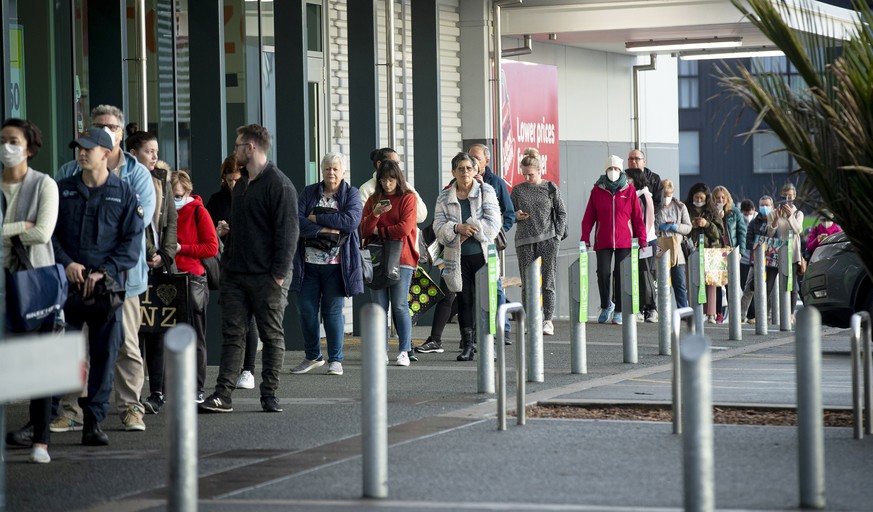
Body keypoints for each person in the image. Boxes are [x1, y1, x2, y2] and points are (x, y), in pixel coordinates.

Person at [56, 106, 156, 433]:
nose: (105, 130)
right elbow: (56, 231)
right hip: (74, 281)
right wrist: (70, 264)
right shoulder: (67, 176)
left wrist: (106, 271)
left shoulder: (135, 175)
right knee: (75, 346)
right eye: (98, 125)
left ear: (117, 137)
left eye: (111, 126)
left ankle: (130, 407)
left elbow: (132, 233)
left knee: (125, 344)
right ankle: (70, 409)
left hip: (121, 282)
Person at [200, 124, 298, 414]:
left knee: (271, 336)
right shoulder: (242, 184)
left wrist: (278, 276)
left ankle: (269, 394)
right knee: (233, 334)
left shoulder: (279, 185)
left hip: (268, 277)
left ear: (251, 148)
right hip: (236, 274)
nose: (234, 150)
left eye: (238, 145)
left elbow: (288, 234)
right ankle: (222, 395)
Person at [0, 119, 60, 463]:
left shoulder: (43, 185)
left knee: (40, 366)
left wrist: (20, 229)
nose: (7, 146)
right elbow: (26, 229)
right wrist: (17, 227)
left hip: (33, 285)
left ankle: (41, 440)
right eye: (3, 140)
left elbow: (42, 233)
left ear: (29, 148)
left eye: (14, 141)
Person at [290, 152, 363, 376]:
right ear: (321, 171)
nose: (331, 173)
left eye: (335, 169)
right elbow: (296, 220)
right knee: (306, 310)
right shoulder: (309, 192)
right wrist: (323, 230)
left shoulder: (351, 193)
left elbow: (350, 222)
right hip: (307, 264)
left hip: (337, 265)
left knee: (332, 312)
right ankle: (313, 356)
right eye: (327, 169)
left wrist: (315, 217)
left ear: (343, 172)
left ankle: (336, 360)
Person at [125, 126, 178, 414]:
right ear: (133, 155)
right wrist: (146, 254)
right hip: (135, 263)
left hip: (160, 266)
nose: (155, 156)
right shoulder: (124, 180)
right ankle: (131, 394)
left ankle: (157, 392)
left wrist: (165, 255)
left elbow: (170, 223)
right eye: (149, 151)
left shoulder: (162, 180)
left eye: (157, 151)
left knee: (158, 328)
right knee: (135, 332)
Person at [433, 152, 501, 361]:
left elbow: (493, 225)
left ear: (475, 170)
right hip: (458, 257)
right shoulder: (444, 197)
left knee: (487, 301)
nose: (465, 172)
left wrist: (471, 227)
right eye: (460, 169)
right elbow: (438, 228)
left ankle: (488, 344)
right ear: (453, 172)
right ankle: (468, 346)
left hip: (482, 256)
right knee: (464, 300)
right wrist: (456, 227)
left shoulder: (485, 191)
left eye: (469, 168)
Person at [205, 155, 260, 391]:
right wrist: (219, 232)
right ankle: (231, 372)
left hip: (251, 264)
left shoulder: (255, 196)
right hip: (226, 265)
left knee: (250, 318)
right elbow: (206, 234)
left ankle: (248, 370)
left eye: (236, 180)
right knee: (233, 320)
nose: (232, 185)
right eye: (228, 180)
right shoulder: (216, 201)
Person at [360, 159, 419, 366]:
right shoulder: (374, 200)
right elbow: (363, 230)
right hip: (376, 258)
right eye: (384, 180)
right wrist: (375, 214)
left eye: (391, 179)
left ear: (398, 179)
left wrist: (379, 231)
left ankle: (404, 350)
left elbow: (404, 229)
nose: (387, 184)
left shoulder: (408, 199)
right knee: (379, 307)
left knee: (400, 305)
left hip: (402, 257)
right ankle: (380, 351)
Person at [580, 155, 646, 326]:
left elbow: (637, 218)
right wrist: (584, 237)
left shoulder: (629, 190)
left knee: (620, 274)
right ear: (605, 170)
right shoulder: (597, 190)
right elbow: (589, 217)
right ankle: (606, 305)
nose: (613, 172)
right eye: (610, 169)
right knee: (602, 272)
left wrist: (642, 239)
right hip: (603, 239)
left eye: (616, 169)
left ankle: (619, 310)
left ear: (621, 170)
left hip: (624, 241)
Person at [171, 170, 219, 402]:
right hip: (168, 278)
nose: (175, 200)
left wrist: (183, 248)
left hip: (192, 279)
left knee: (195, 335)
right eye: (171, 196)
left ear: (188, 192)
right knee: (167, 336)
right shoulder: (161, 212)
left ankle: (197, 388)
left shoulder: (199, 211)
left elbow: (211, 247)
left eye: (178, 195)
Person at [510, 149, 566, 335]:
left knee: (547, 281)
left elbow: (561, 212)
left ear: (539, 170)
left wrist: (557, 235)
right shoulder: (517, 190)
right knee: (527, 283)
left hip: (548, 239)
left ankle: (548, 320)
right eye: (524, 174)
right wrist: (516, 215)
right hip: (524, 241)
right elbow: (509, 214)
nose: (527, 178)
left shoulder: (550, 188)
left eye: (530, 174)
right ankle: (530, 318)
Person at [467, 144, 515, 334]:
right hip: (469, 244)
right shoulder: (463, 179)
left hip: (489, 245)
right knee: (472, 289)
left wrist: (497, 233)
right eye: (470, 157)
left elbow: (509, 213)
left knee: (494, 286)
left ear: (486, 161)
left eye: (477, 158)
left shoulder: (496, 182)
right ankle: (477, 330)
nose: (472, 162)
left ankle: (504, 328)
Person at [685, 182, 725, 324]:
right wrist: (692, 225)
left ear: (707, 198)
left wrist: (706, 224)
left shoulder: (712, 211)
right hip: (692, 250)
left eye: (702, 198)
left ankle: (711, 314)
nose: (699, 200)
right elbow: (684, 229)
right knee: (692, 281)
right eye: (697, 197)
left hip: (711, 250)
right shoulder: (686, 208)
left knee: (711, 284)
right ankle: (695, 312)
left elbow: (719, 233)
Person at [359, 147, 427, 223]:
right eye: (394, 163)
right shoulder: (367, 189)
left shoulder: (406, 186)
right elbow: (362, 220)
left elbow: (421, 216)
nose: (397, 168)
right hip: (377, 234)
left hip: (405, 232)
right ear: (379, 164)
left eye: (398, 163)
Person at [625, 167, 657, 322]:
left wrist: (640, 240)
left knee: (645, 274)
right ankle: (641, 307)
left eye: (628, 177)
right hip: (636, 242)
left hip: (645, 241)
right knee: (638, 274)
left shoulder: (643, 195)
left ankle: (651, 308)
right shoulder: (634, 195)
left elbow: (646, 221)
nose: (626, 180)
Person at [768, 183, 804, 322]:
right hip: (775, 252)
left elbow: (798, 230)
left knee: (791, 283)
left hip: (792, 251)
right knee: (769, 283)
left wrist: (790, 216)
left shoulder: (798, 213)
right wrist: (776, 219)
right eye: (784, 196)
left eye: (790, 196)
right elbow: (769, 233)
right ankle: (766, 313)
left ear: (794, 197)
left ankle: (790, 313)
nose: (787, 199)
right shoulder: (773, 213)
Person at [654, 179, 691, 309]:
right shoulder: (655, 207)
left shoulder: (680, 207)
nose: (666, 198)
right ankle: (659, 310)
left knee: (679, 282)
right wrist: (659, 228)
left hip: (676, 249)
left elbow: (688, 227)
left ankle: (683, 310)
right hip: (660, 247)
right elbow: (649, 226)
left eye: (668, 195)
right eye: (664, 195)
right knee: (660, 283)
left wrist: (676, 227)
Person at [712, 185, 747, 323]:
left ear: (727, 198)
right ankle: (718, 314)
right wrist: (718, 218)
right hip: (716, 251)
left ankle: (734, 314)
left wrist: (740, 251)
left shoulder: (734, 212)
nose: (720, 200)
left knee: (731, 284)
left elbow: (741, 232)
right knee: (717, 284)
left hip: (730, 250)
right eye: (717, 198)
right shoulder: (711, 213)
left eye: (722, 197)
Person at [740, 195, 776, 324]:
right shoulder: (754, 222)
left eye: (767, 205)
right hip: (756, 260)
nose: (764, 208)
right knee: (749, 288)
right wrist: (758, 244)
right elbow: (748, 241)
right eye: (762, 205)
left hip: (773, 262)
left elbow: (779, 239)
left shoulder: (777, 220)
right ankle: (741, 316)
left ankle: (769, 316)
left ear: (772, 206)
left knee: (770, 290)